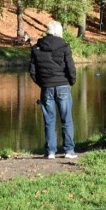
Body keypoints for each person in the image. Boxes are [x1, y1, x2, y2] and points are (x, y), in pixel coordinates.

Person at [29, 20, 77, 159]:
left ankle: (50, 151)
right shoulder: (64, 46)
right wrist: (71, 81)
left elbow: (32, 71)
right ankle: (69, 150)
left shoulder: (36, 48)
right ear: (59, 32)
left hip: (46, 87)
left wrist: (42, 83)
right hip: (63, 85)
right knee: (66, 119)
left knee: (49, 120)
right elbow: (71, 68)